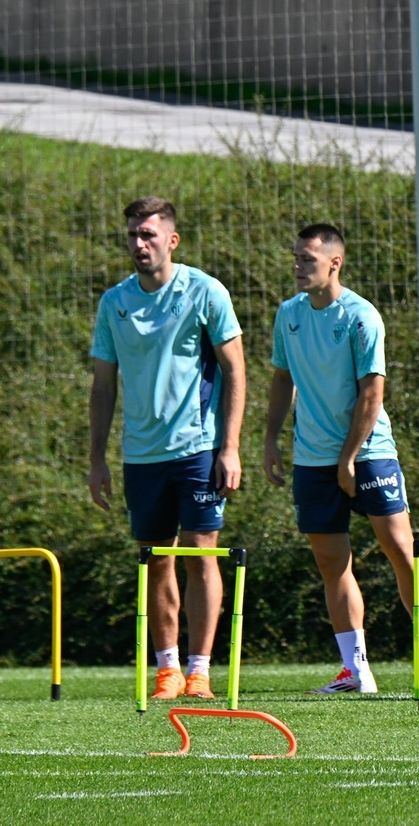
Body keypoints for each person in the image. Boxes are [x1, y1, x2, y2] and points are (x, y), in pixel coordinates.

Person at [264, 223, 419, 694]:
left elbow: (372, 394)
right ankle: (355, 669)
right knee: (332, 562)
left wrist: (349, 457)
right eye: (295, 257)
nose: (297, 266)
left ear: (335, 263)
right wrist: (271, 438)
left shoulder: (361, 316)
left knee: (400, 550)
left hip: (369, 452)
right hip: (311, 459)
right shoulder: (288, 315)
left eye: (307, 260)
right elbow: (280, 379)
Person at [89, 196, 246, 701]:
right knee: (156, 557)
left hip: (198, 448)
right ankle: (168, 668)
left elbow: (235, 370)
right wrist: (96, 458)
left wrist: (230, 446)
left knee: (202, 554)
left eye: (148, 235)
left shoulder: (204, 291)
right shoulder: (114, 302)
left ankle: (200, 669)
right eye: (133, 234)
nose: (139, 243)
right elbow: (103, 385)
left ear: (171, 240)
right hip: (141, 454)